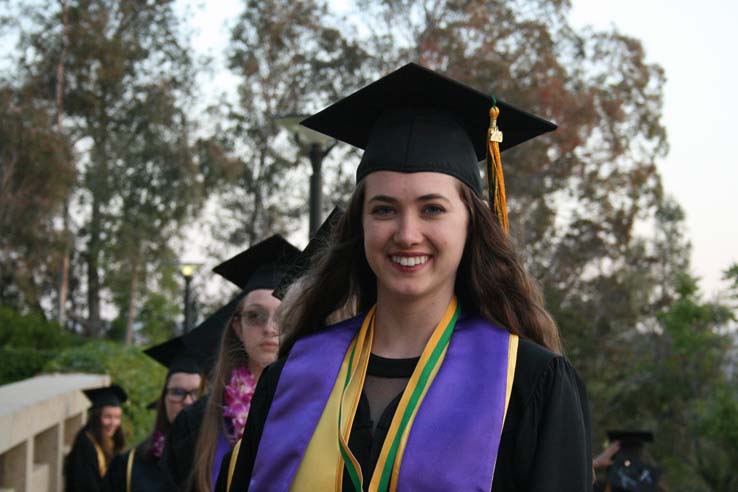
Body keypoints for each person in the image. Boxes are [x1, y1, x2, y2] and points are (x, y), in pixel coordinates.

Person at [219, 63, 593, 491]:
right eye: (384, 209)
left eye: (432, 208)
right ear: (360, 224)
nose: (407, 234)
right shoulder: (293, 379)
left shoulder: (528, 384)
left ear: (471, 223)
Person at [161, 235, 299, 491]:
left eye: (282, 316)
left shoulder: (316, 408)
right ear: (237, 325)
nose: (269, 328)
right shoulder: (195, 422)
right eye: (255, 316)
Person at [102, 337, 203, 491]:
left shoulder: (222, 462)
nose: (188, 401)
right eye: (177, 392)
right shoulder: (127, 466)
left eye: (196, 393)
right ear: (163, 399)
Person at [65, 384, 127, 492]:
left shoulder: (110, 440)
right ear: (96, 417)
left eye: (117, 417)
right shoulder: (86, 445)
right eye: (107, 417)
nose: (113, 423)